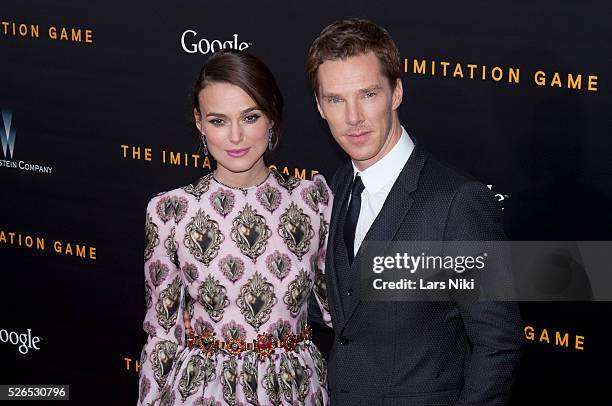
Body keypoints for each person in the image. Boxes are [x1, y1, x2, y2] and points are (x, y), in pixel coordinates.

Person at [305, 18, 524, 405]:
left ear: (396, 93)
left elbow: (498, 344)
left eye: (368, 94)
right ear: (321, 107)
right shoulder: (335, 188)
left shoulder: (458, 202)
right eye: (336, 99)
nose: (352, 117)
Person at [138, 49, 332, 406]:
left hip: (293, 390)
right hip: (201, 392)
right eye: (218, 121)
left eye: (250, 116)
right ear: (199, 123)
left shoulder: (312, 200)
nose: (236, 137)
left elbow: (342, 308)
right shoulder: (171, 211)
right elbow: (162, 332)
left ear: (271, 118)